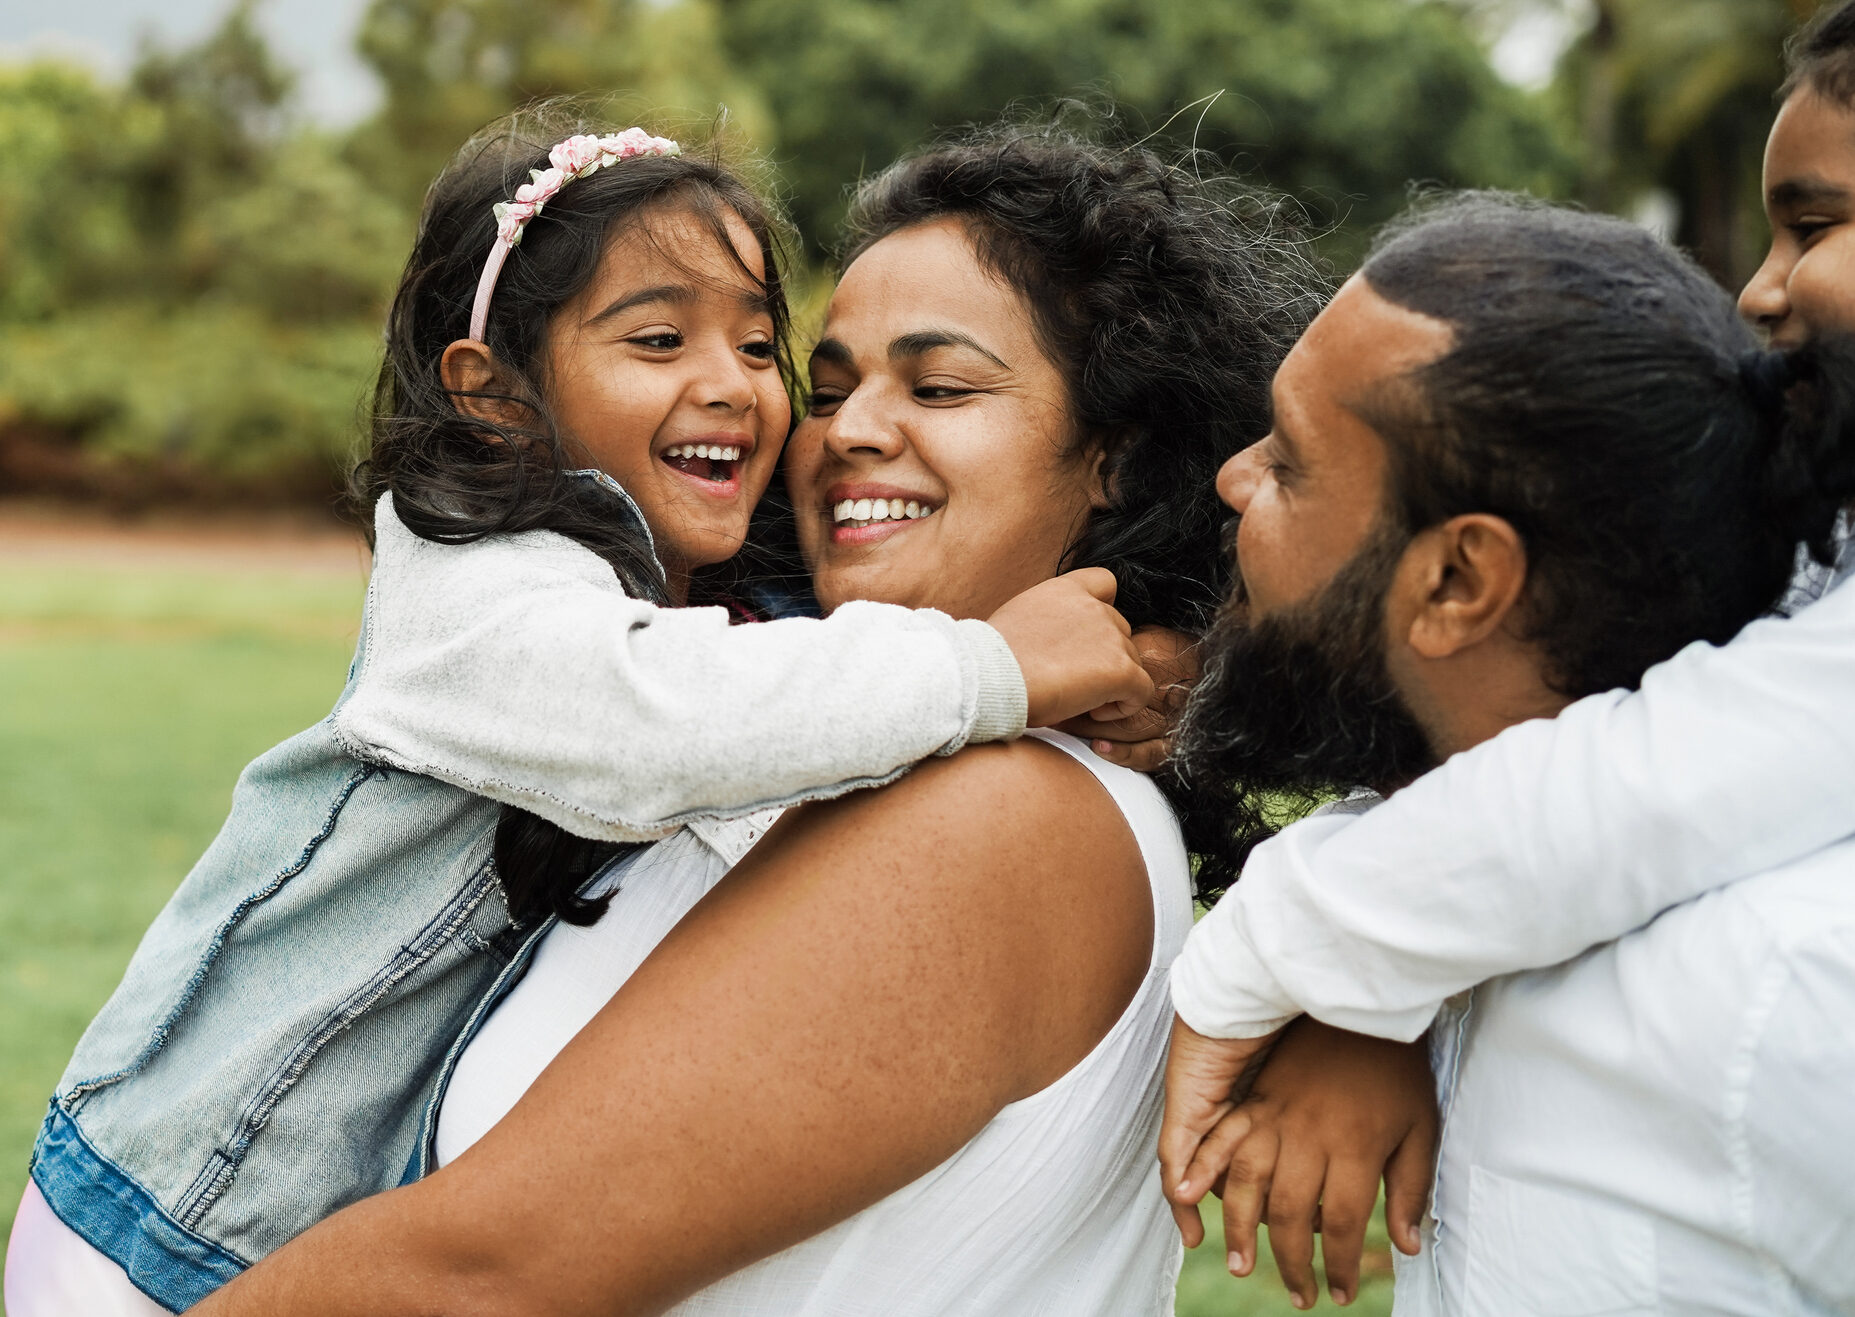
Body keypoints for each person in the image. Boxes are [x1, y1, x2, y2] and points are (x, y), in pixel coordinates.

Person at [2, 112, 1169, 1316]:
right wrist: (993, 669)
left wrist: (1146, 658)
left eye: (760, 345)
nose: (748, 391)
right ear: (496, 397)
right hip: (167, 1208)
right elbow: (674, 720)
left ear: (1115, 457)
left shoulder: (853, 707)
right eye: (659, 339)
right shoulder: (479, 591)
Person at [1160, 3, 1855, 1300]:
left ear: (1461, 577)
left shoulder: (1777, 994)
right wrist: (1379, 988)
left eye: (1813, 225)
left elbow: (1667, 775)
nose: (1763, 287)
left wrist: (1296, 947)